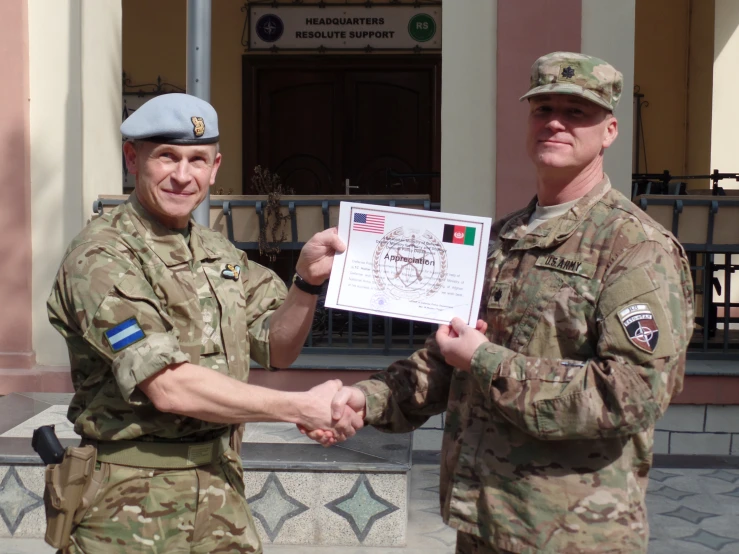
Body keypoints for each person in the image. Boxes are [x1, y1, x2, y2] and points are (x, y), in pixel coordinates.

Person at [307, 52, 695, 553]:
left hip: (572, 534)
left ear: (611, 130)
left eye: (576, 111)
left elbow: (632, 393)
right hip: (484, 521)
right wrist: (367, 398)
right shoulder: (501, 238)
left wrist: (485, 359)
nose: (555, 121)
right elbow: (449, 360)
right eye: (543, 108)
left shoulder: (636, 248)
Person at [45, 93, 359, 553]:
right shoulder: (101, 256)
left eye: (197, 160)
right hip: (129, 504)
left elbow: (277, 346)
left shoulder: (220, 253)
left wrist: (306, 284)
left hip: (219, 491)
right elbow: (167, 386)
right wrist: (299, 407)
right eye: (166, 157)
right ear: (133, 160)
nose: (182, 175)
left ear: (215, 168)